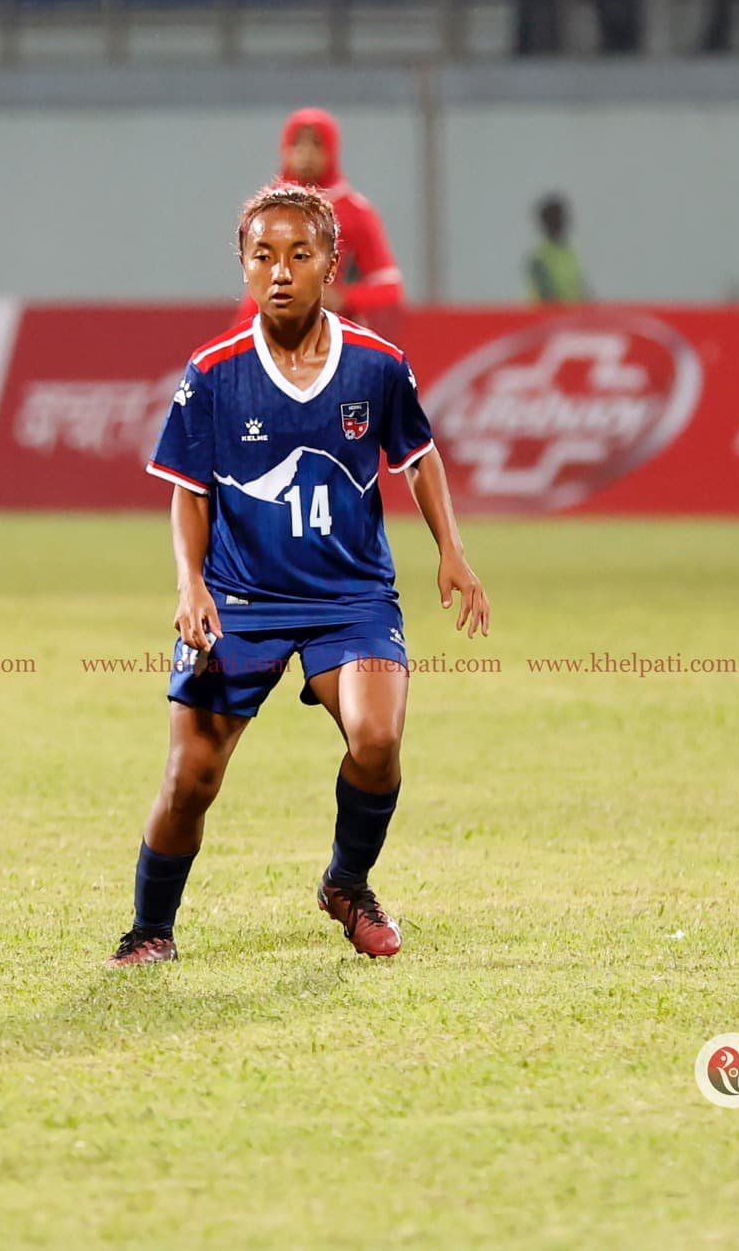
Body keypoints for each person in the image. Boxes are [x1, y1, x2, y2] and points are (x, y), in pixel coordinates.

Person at [108, 183, 491, 968]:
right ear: (243, 267)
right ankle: (151, 929)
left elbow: (418, 458)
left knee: (378, 739)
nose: (279, 271)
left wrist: (450, 548)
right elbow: (188, 490)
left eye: (299, 254)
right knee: (192, 775)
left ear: (331, 263)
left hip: (350, 598)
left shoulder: (378, 365)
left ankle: (346, 884)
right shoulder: (214, 372)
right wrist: (191, 584)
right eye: (263, 256)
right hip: (242, 600)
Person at [237, 108, 403, 326]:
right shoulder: (265, 210)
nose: (306, 153)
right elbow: (257, 282)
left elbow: (388, 287)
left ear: (332, 149)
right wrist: (242, 330)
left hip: (331, 329)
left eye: (316, 144)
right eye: (297, 143)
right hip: (272, 327)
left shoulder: (354, 210)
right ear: (284, 149)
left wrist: (342, 297)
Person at [526, 194, 590, 303]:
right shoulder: (539, 257)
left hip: (572, 317)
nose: (561, 223)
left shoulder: (569, 253)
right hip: (547, 318)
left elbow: (580, 288)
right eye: (555, 219)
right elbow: (547, 296)